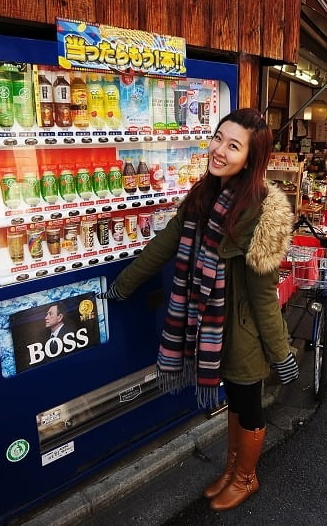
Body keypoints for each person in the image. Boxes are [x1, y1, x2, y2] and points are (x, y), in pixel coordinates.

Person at [101, 108, 298, 511]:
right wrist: (123, 285)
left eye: (233, 145)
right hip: (209, 326)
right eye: (218, 138)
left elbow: (264, 295)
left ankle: (246, 476)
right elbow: (165, 244)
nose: (219, 150)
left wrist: (281, 353)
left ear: (251, 157)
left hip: (241, 334)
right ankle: (231, 469)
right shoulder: (204, 193)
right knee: (234, 403)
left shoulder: (262, 213)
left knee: (247, 405)